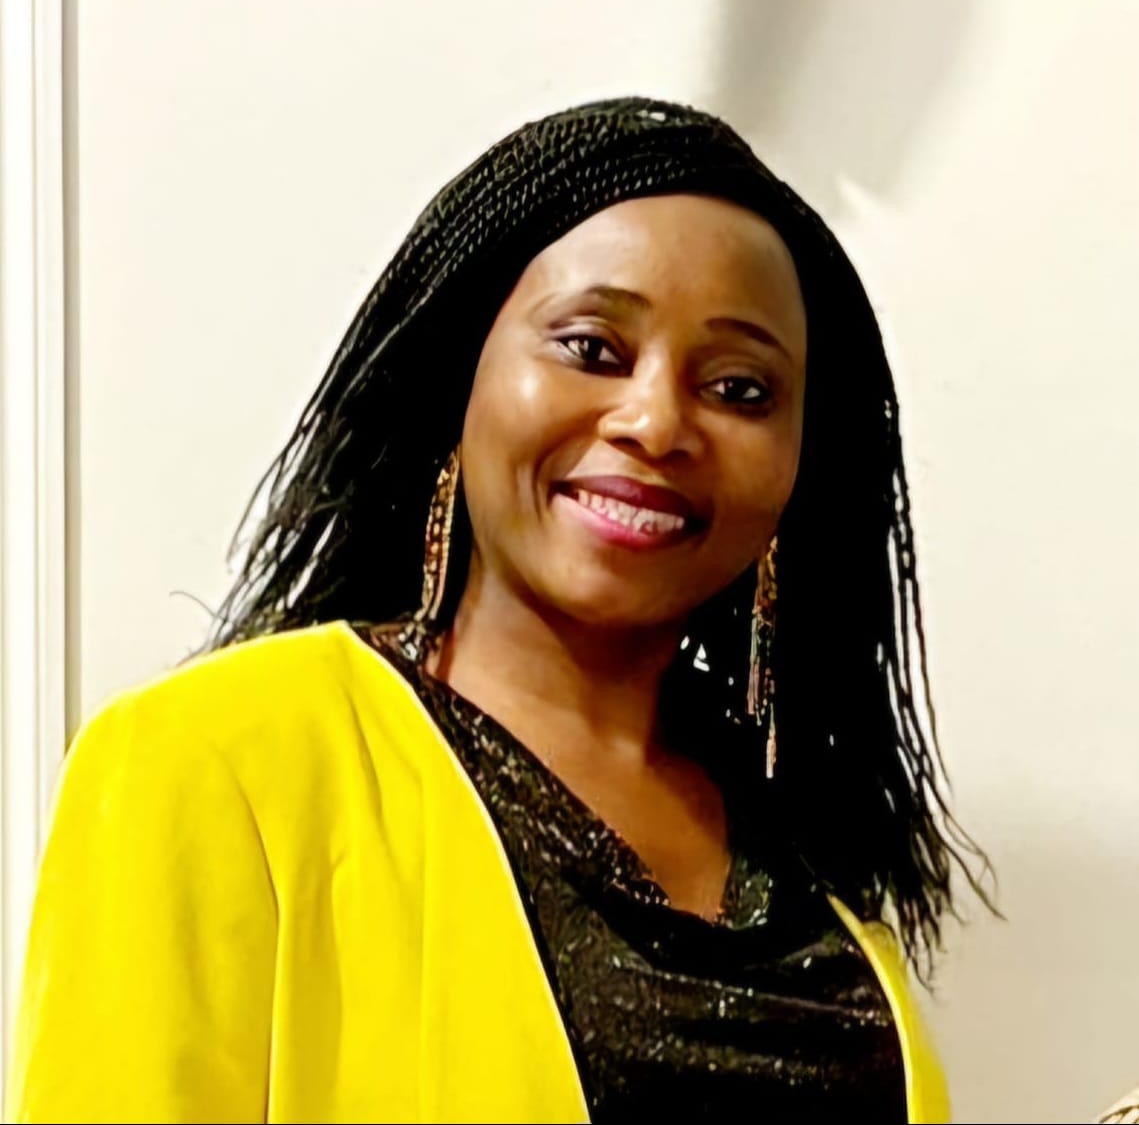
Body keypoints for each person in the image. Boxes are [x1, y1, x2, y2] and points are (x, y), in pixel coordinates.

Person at [7, 97, 991, 1123]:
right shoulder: (216, 765)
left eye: (740, 388)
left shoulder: (808, 854)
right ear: (460, 378)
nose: (655, 420)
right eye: (591, 347)